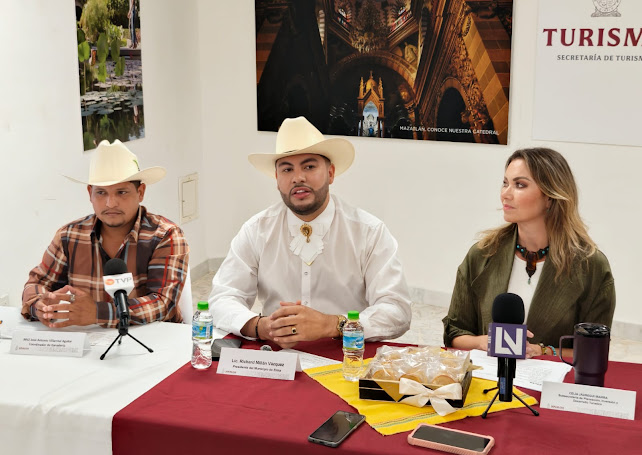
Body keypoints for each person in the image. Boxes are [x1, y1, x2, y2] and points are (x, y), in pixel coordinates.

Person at [210, 116, 411, 348]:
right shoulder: (256, 230)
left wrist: (333, 324)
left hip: (348, 353)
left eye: (309, 166)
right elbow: (222, 298)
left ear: (331, 173)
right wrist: (260, 326)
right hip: (277, 354)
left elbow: (397, 311)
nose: (298, 178)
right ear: (277, 179)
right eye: (287, 169)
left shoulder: (369, 231)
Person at [442, 147, 615, 357]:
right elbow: (454, 331)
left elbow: (595, 350)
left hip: (554, 378)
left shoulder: (591, 265)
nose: (505, 194)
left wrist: (543, 350)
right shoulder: (482, 254)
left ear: (550, 196)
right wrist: (481, 342)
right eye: (505, 183)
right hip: (488, 375)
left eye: (520, 185)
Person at [22, 139, 189, 328]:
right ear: (90, 193)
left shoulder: (165, 235)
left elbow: (163, 304)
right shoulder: (68, 236)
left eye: (121, 192)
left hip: (155, 340)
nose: (110, 203)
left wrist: (98, 313)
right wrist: (39, 305)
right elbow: (36, 284)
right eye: (101, 193)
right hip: (90, 341)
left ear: (141, 192)